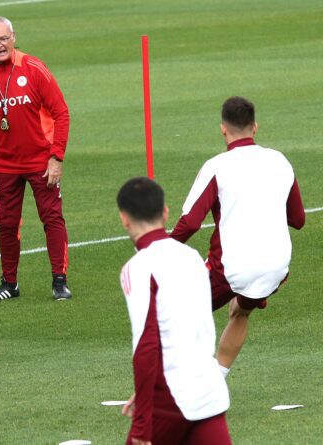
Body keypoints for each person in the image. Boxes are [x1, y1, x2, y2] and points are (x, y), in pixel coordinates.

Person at [170, 97, 305, 377]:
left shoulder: (217, 166)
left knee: (176, 312)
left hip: (232, 268)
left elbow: (190, 223)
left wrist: (159, 249)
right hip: (277, 268)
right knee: (239, 311)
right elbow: (298, 220)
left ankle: (180, 384)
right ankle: (216, 380)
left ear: (222, 129)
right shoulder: (280, 161)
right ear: (255, 127)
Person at [117, 177, 231, 445]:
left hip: (170, 397)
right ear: (166, 212)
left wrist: (143, 420)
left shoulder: (137, 268)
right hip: (208, 390)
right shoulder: (191, 256)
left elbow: (145, 344)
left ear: (124, 219)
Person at [0, 16, 72, 302]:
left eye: (3, 38)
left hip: (41, 161)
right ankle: (9, 284)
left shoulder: (34, 68)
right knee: (6, 223)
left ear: (13, 37)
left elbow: (62, 113)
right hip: (4, 165)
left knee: (51, 218)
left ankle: (59, 281)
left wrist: (56, 157)